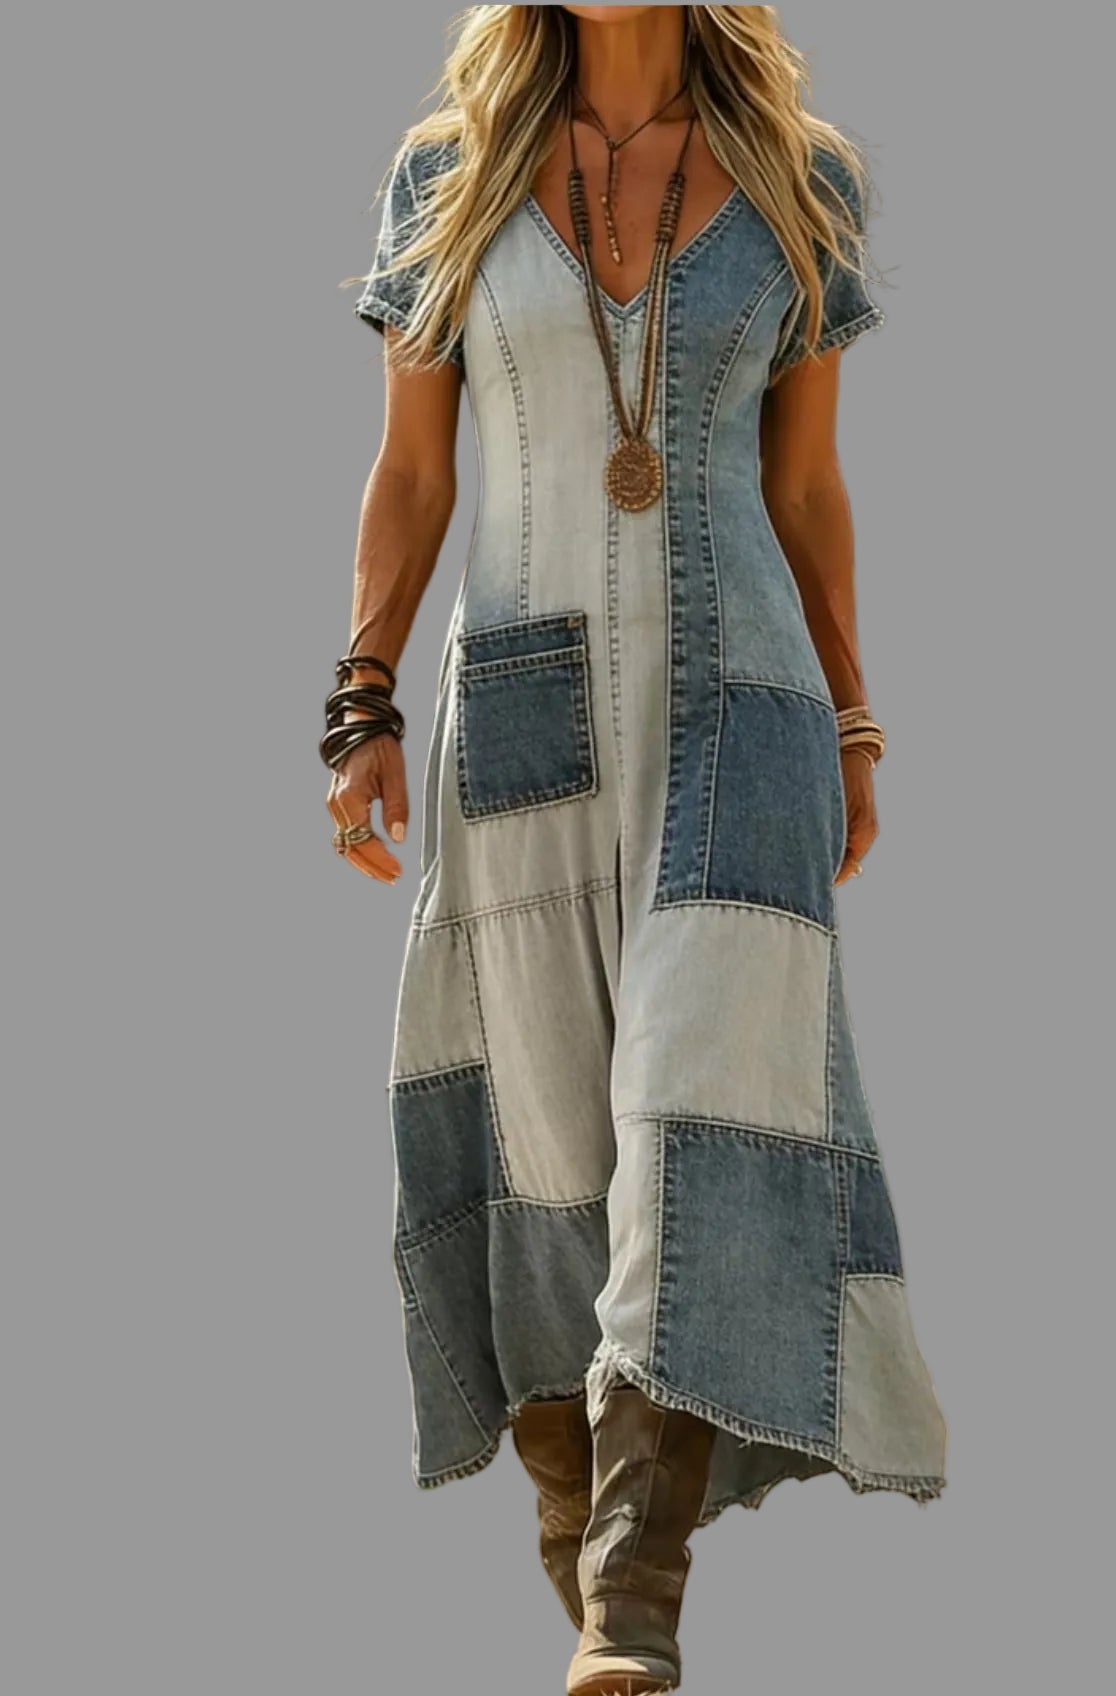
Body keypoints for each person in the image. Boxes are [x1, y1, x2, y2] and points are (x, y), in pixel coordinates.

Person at [324, 7, 947, 1692]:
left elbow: (805, 488)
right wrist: (360, 697)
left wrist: (857, 720)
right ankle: (583, 1554)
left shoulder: (801, 184)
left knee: (703, 1113)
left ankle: (633, 1602)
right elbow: (411, 470)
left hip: (745, 714)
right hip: (520, 719)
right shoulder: (449, 178)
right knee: (544, 1154)